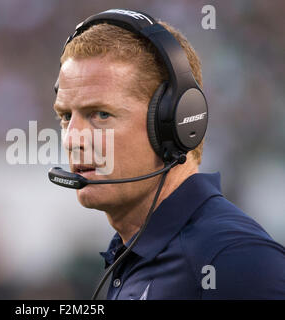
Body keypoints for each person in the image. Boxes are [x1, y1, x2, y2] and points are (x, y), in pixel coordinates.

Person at [52, 9, 285, 299]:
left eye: (100, 114)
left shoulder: (236, 259)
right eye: (65, 116)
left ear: (175, 123)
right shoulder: (132, 254)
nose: (73, 138)